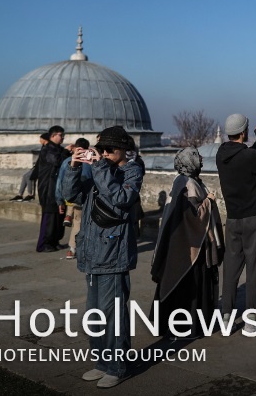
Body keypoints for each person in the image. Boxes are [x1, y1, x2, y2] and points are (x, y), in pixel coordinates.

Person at [63, 126, 143, 388]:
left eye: (111, 150)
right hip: (91, 251)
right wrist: (74, 167)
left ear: (123, 149)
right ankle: (101, 362)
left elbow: (121, 198)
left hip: (113, 251)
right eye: (102, 149)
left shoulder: (132, 170)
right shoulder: (100, 168)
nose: (106, 154)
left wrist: (99, 168)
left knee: (113, 313)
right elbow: (73, 196)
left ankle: (118, 366)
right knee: (95, 312)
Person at [215, 113, 256, 334]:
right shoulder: (247, 157)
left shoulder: (221, 154)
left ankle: (226, 317)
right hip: (254, 217)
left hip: (233, 218)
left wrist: (255, 142)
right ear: (243, 132)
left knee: (231, 269)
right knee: (254, 267)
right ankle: (252, 318)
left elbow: (244, 157)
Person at [150, 147, 222, 339]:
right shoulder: (187, 183)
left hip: (187, 244)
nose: (200, 158)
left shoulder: (187, 181)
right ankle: (183, 327)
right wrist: (208, 201)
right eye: (196, 156)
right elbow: (192, 215)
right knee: (187, 285)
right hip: (189, 246)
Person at [35, 126, 71, 252]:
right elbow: (57, 161)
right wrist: (66, 152)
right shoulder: (47, 150)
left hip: (57, 189)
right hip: (48, 189)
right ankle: (44, 244)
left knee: (58, 218)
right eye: (60, 135)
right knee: (49, 218)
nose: (63, 137)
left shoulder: (58, 149)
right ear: (53, 136)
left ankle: (54, 241)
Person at [55, 138, 92, 259]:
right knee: (84, 224)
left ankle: (72, 249)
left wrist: (59, 200)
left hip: (73, 198)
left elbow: (60, 182)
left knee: (78, 222)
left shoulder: (67, 161)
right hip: (87, 197)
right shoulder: (90, 161)